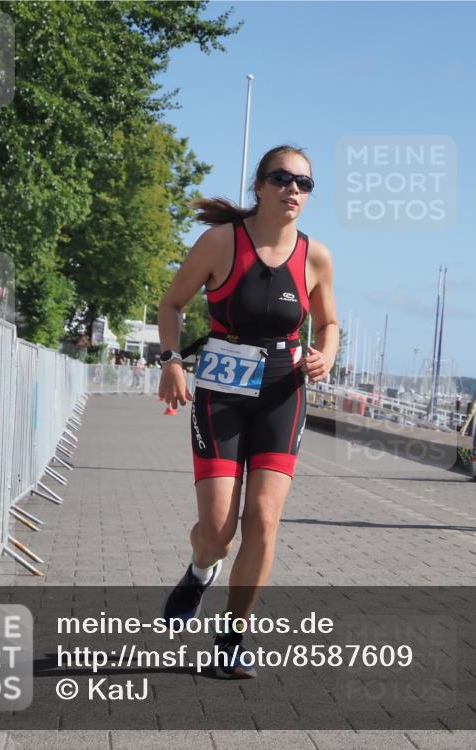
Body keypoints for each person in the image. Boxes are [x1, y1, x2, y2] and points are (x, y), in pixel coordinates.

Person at [158, 145, 338, 678]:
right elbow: (171, 305)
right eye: (282, 178)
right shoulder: (219, 242)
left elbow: (328, 323)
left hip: (284, 391)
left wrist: (326, 354)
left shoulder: (317, 257)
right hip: (222, 389)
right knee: (217, 531)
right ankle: (198, 571)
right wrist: (171, 361)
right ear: (259, 185)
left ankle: (232, 638)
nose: (293, 190)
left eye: (304, 183)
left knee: (262, 520)